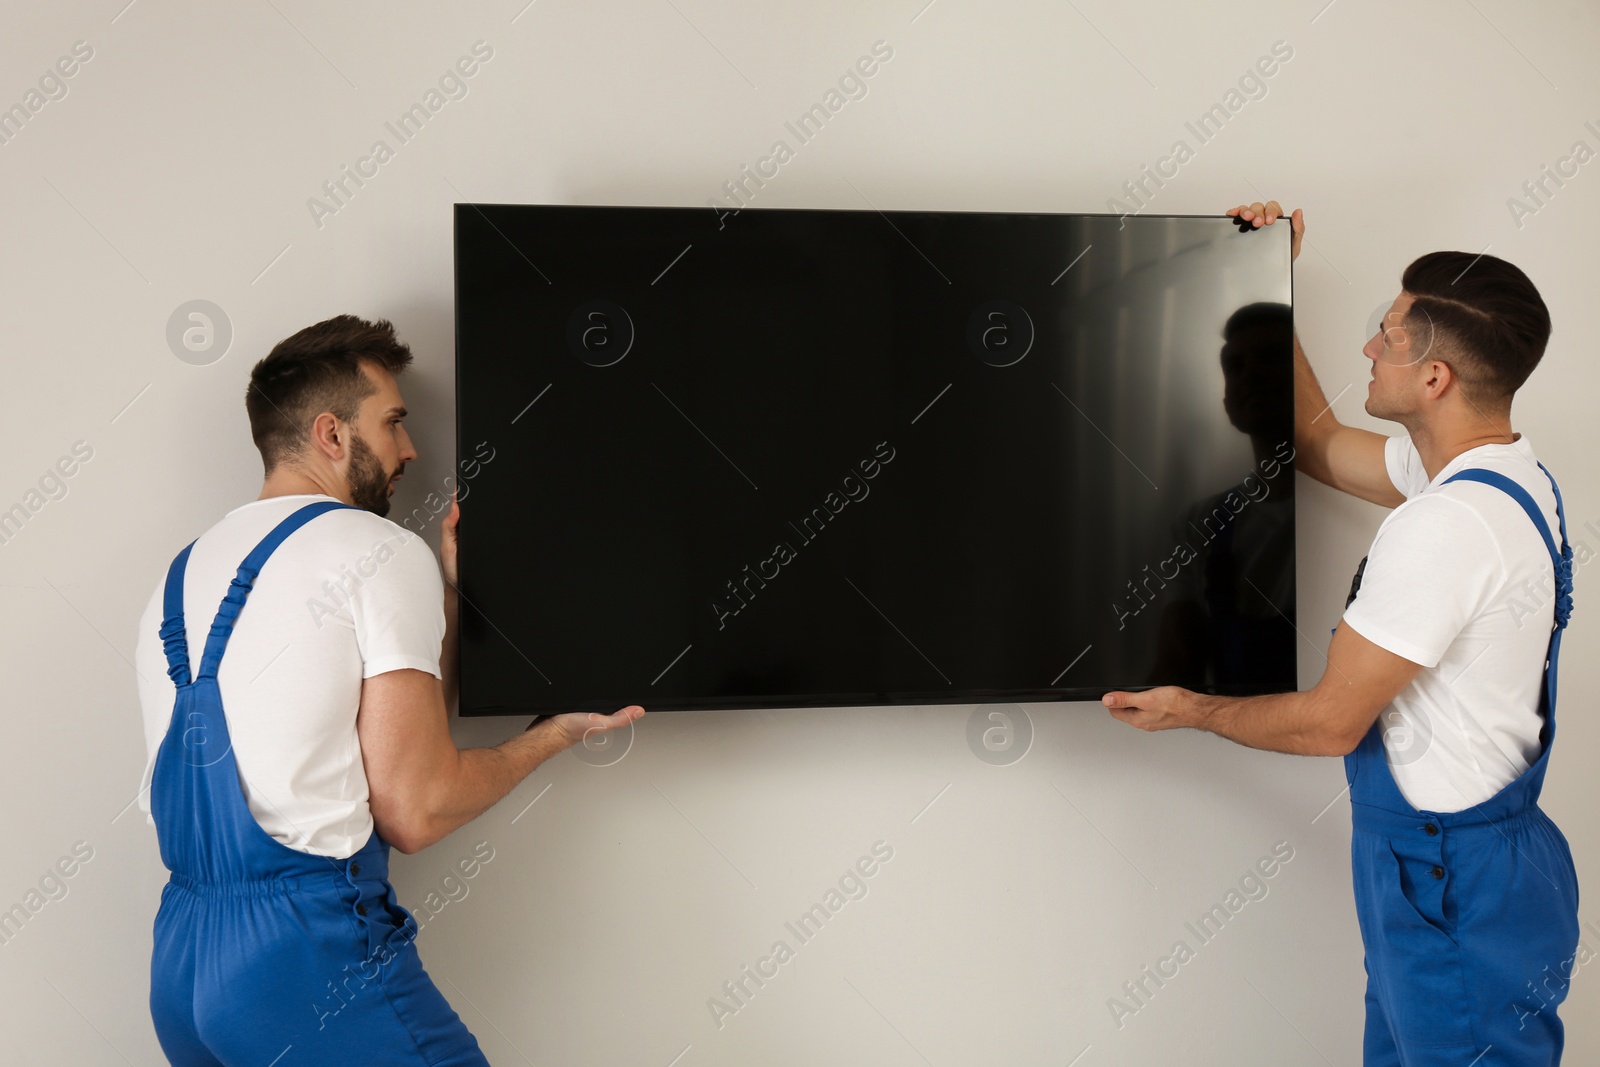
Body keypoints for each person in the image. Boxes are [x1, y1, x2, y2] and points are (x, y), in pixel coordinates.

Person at [1102, 201, 1579, 1064]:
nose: (1368, 347)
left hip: (1449, 882)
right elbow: (1317, 441)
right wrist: (1270, 274)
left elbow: (1331, 722)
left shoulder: (1444, 527)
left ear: (1434, 377)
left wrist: (1193, 709)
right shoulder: (1505, 476)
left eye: (1387, 335)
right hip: (1474, 872)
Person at [132, 314, 644, 1064]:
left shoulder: (183, 572)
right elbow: (417, 807)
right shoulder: (375, 550)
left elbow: (386, 748)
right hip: (304, 959)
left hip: (183, 965)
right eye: (395, 422)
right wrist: (555, 733)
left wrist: (448, 605)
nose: (410, 448)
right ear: (332, 434)